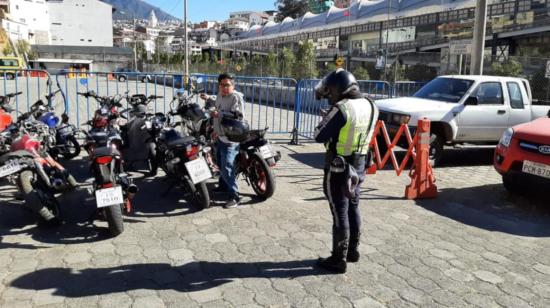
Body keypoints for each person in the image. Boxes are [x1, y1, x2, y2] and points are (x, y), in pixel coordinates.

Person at [313, 69, 379, 273]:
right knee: (353, 206)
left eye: (330, 92)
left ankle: (338, 259)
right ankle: (352, 251)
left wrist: (326, 119)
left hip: (339, 167)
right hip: (359, 165)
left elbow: (319, 135)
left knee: (339, 212)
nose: (329, 96)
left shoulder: (341, 108)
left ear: (338, 90)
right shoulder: (371, 104)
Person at [200, 73, 245, 209]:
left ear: (233, 85)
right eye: (222, 85)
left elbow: (238, 115)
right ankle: (223, 186)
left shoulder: (236, 97)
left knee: (227, 166)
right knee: (219, 162)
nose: (225, 88)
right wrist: (215, 130)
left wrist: (220, 114)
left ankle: (235, 196)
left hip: (231, 137)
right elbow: (217, 107)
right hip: (220, 136)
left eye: (227, 85)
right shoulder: (220, 95)